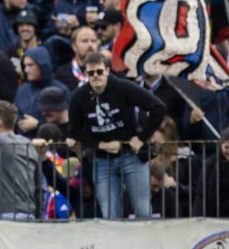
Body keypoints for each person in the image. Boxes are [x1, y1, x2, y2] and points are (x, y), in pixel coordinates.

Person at [67, 52, 166, 219]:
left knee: (142, 210)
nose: (96, 76)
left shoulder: (123, 87)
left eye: (99, 71)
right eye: (91, 73)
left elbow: (159, 107)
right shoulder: (79, 97)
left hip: (131, 155)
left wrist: (142, 137)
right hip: (102, 159)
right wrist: (101, 145)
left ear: (107, 70)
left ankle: (146, 244)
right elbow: (74, 132)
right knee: (109, 213)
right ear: (85, 74)